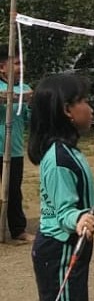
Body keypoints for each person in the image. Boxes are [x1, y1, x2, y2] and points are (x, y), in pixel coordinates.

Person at [28, 73, 94, 301]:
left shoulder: (67, 150)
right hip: (61, 251)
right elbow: (63, 211)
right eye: (83, 101)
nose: (91, 108)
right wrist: (79, 218)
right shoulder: (58, 158)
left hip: (66, 248)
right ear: (67, 110)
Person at [0, 45, 34, 242]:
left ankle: (18, 229)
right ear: (2, 67)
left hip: (14, 150)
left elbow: (29, 119)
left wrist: (31, 104)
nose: (21, 67)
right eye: (16, 63)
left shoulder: (25, 89)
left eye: (22, 63)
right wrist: (10, 97)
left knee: (14, 190)